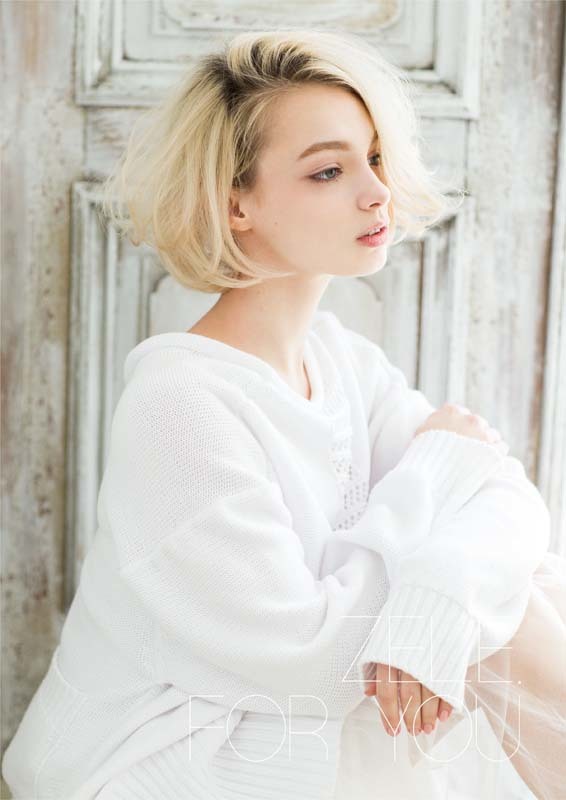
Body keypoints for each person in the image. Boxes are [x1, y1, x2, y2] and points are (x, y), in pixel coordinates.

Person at [3, 29, 565, 800]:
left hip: (294, 722)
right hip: (175, 753)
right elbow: (315, 661)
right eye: (328, 171)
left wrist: (440, 586)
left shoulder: (340, 359)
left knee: (498, 589)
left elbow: (510, 502)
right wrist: (438, 474)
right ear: (236, 202)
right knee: (481, 613)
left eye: (375, 158)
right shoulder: (181, 406)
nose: (376, 191)